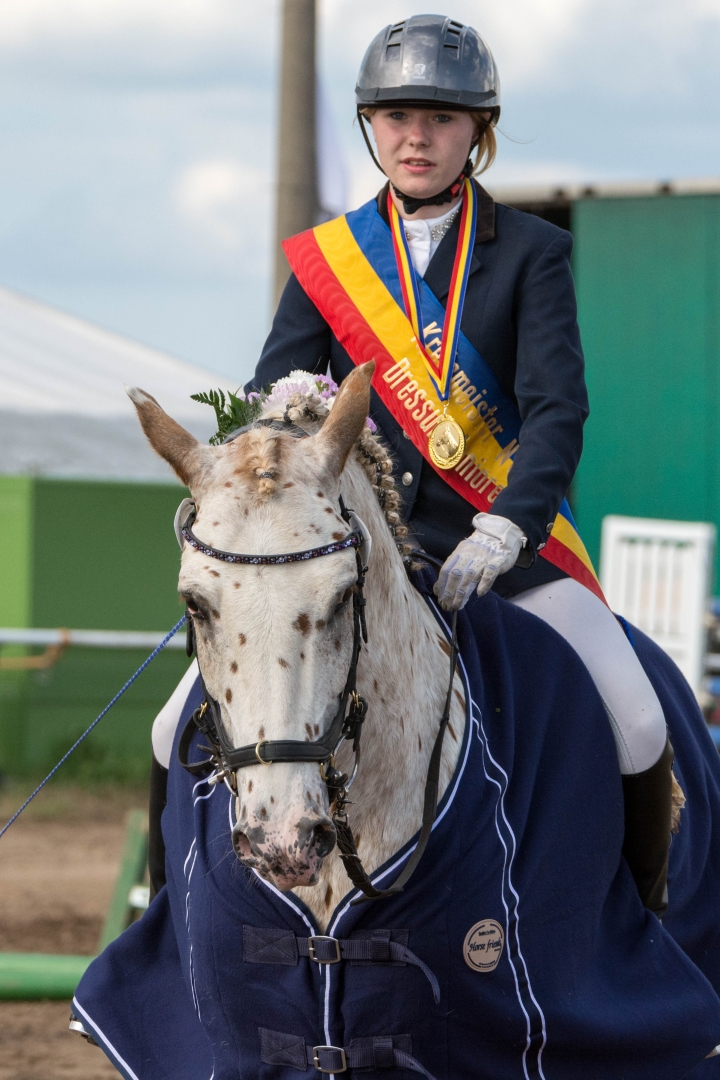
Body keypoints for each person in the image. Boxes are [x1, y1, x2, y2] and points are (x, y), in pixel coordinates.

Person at [244, 14, 675, 917]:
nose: (417, 137)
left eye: (441, 118)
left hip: (501, 550)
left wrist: (508, 525)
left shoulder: (533, 253)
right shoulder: (327, 262)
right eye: (397, 116)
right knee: (173, 723)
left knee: (637, 719)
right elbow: (271, 400)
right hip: (353, 558)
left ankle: (641, 927)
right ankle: (167, 927)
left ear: (478, 129)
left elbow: (556, 409)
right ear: (370, 124)